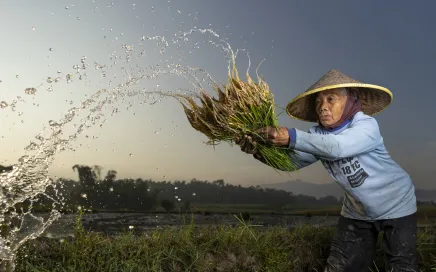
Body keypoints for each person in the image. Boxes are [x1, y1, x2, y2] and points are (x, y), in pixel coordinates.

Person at [235, 69, 419, 272]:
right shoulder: (317, 135)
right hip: (358, 210)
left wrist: (291, 137)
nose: (323, 107)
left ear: (350, 101)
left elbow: (338, 147)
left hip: (397, 202)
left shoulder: (366, 126)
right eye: (318, 101)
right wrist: (260, 152)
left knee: (402, 266)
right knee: (339, 267)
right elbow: (292, 162)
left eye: (331, 99)